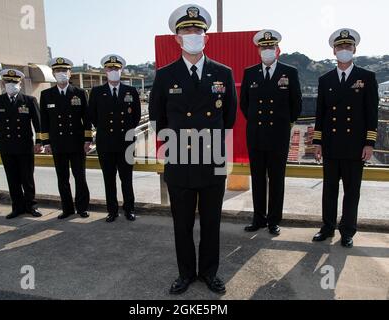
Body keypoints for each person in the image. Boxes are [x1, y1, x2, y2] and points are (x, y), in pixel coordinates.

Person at [149, 4, 237, 295]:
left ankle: (209, 273)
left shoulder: (222, 73)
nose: (193, 34)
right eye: (186, 30)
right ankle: (186, 274)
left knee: (211, 224)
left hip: (212, 159)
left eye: (198, 29)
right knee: (182, 225)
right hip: (180, 161)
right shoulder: (164, 75)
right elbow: (157, 120)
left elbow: (230, 118)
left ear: (206, 37)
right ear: (177, 38)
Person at [312, 28, 379, 248]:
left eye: (347, 47)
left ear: (355, 49)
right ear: (333, 50)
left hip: (355, 146)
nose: (344, 50)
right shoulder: (326, 79)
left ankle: (348, 230)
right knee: (329, 189)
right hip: (331, 144)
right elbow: (320, 114)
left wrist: (369, 143)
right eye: (340, 47)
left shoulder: (366, 77)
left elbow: (372, 113)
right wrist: (318, 142)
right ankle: (328, 227)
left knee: (352, 191)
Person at [240, 30, 302, 236]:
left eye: (271, 47)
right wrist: (259, 123)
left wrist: (284, 124)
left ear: (277, 49)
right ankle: (258, 218)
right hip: (256, 133)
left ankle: (274, 220)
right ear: (258, 50)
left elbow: (296, 104)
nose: (267, 50)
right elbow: (244, 104)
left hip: (279, 135)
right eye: (264, 47)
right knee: (257, 178)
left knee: (277, 179)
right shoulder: (250, 73)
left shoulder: (289, 72)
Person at [88, 54, 142, 223]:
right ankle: (112, 211)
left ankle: (129, 209)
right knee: (109, 179)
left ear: (121, 70)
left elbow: (136, 116)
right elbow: (93, 116)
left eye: (116, 69)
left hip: (125, 143)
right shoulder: (97, 92)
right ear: (105, 71)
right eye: (110, 68)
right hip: (106, 144)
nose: (113, 71)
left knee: (126, 179)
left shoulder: (131, 91)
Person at [40, 57, 92, 220]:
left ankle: (82, 207)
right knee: (62, 178)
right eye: (58, 71)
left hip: (76, 143)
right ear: (53, 74)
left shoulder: (79, 93)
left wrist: (87, 140)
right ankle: (67, 208)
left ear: (70, 74)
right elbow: (44, 121)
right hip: (58, 143)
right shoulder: (47, 94)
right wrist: (46, 142)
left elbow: (87, 119)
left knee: (80, 177)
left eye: (64, 71)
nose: (61, 74)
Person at [0, 69, 43, 219]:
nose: (11, 84)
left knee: (27, 178)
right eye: (8, 82)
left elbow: (38, 124)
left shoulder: (29, 101)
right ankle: (17, 207)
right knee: (12, 179)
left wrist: (39, 142)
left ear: (20, 83)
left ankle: (31, 206)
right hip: (7, 146)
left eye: (15, 82)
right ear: (3, 83)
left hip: (25, 146)